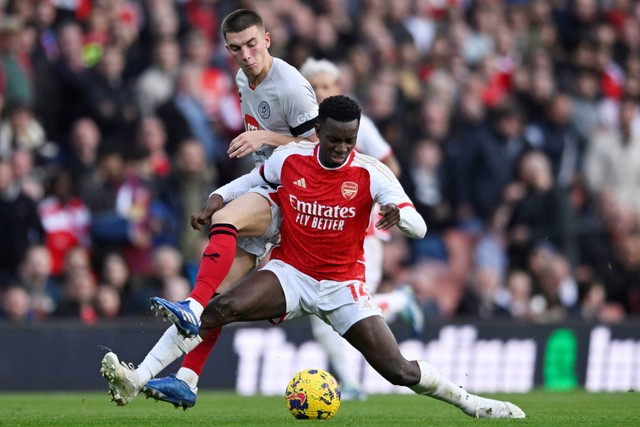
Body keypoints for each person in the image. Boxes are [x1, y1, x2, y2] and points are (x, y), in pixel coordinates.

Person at [100, 95, 525, 419]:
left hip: (344, 287)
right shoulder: (291, 159)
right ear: (318, 131)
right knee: (217, 309)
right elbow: (251, 178)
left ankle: (472, 405)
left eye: (350, 140)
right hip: (291, 273)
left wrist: (401, 217)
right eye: (336, 139)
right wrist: (215, 200)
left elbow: (420, 226)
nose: (343, 148)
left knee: (399, 371)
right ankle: (137, 379)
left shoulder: (371, 172)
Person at [101, 8, 319, 409]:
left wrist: (265, 138)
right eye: (237, 48)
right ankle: (163, 378)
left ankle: (191, 308)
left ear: (267, 39)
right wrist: (230, 184)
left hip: (298, 198)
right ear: (227, 50)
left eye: (253, 44)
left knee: (224, 222)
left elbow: (322, 151)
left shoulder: (291, 86)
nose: (247, 55)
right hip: (269, 185)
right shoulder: (241, 78)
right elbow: (266, 160)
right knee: (217, 299)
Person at [299, 57, 423, 400]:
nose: (321, 92)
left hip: (360, 230)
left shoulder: (359, 125)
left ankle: (395, 304)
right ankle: (351, 380)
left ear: (337, 89)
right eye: (314, 87)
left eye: (327, 86)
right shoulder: (300, 126)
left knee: (347, 307)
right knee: (324, 313)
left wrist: (386, 204)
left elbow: (390, 164)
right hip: (320, 230)